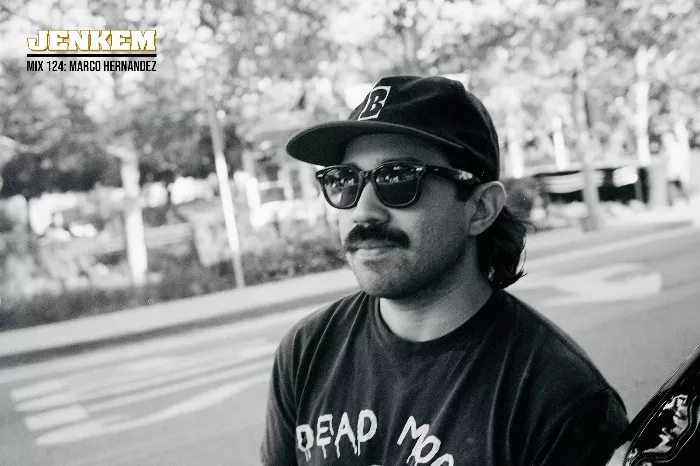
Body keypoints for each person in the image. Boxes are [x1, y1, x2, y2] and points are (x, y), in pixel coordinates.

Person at [261, 75, 629, 465]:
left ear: (480, 208)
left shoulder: (558, 400)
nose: (362, 211)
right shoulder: (307, 351)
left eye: (398, 177)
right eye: (345, 180)